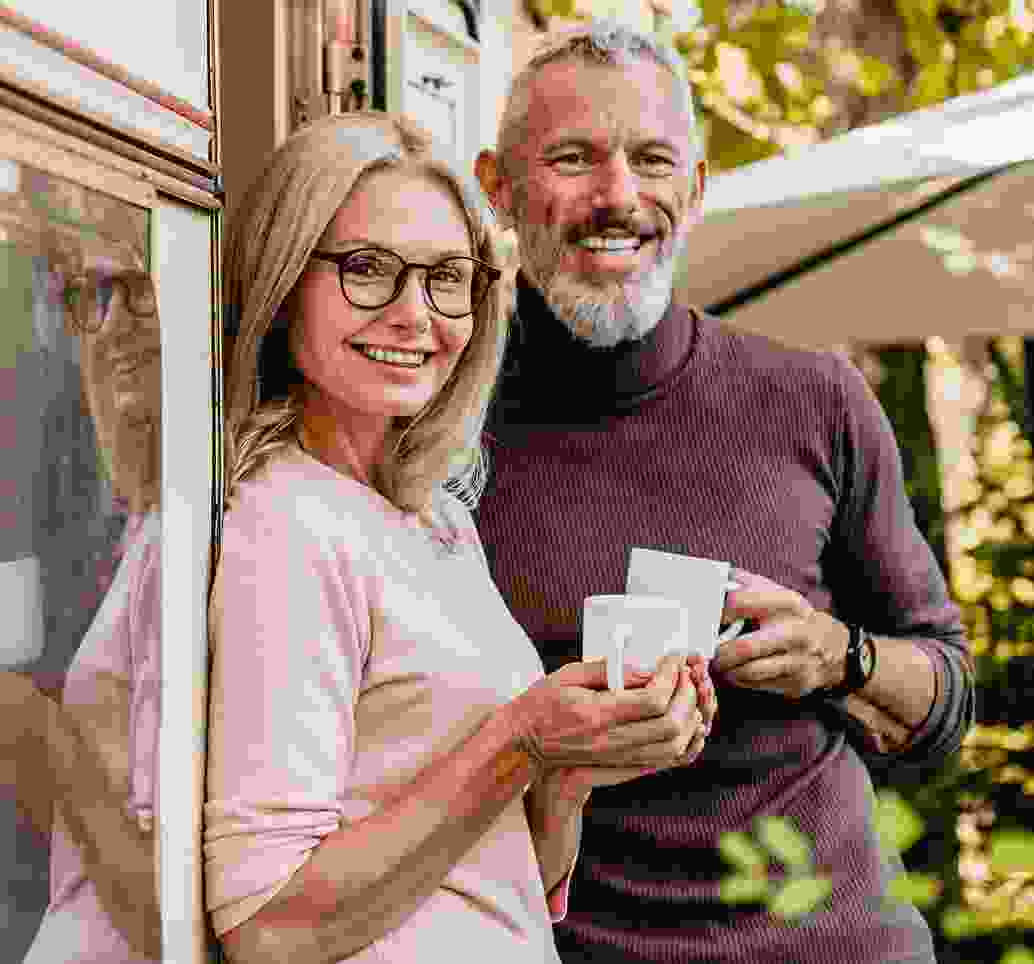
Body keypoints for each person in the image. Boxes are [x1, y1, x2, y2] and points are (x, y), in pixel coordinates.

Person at [473, 21, 976, 964]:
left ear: (694, 190)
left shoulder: (816, 399)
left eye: (653, 159)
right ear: (498, 189)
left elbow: (946, 699)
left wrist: (840, 655)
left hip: (832, 945)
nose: (617, 197)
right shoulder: (440, 427)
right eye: (573, 157)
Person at [204, 112, 716, 964]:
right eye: (368, 269)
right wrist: (519, 737)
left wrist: (569, 772)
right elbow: (270, 928)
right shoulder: (287, 524)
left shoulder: (431, 515)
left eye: (448, 278)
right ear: (286, 277)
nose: (416, 316)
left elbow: (512, 872)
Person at [11, 251, 164, 962]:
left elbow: (173, 913)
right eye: (93, 297)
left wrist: (37, 733)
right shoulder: (138, 531)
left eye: (140, 289)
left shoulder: (192, 537)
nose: (112, 327)